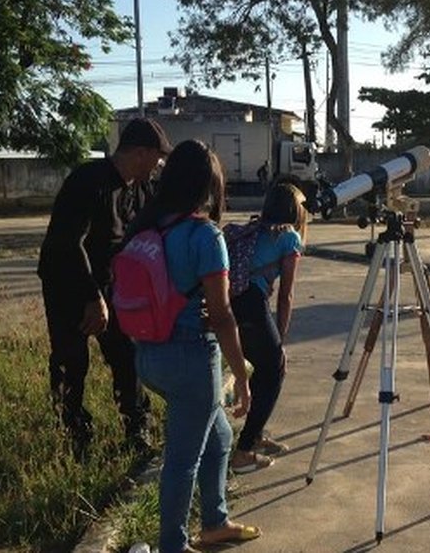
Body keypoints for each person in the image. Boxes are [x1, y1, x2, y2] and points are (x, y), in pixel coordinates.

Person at [129, 139, 260, 553]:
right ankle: (173, 545)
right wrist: (240, 374)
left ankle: (215, 521)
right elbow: (221, 316)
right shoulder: (204, 235)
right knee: (182, 462)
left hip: (148, 355)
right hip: (191, 357)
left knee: (218, 436)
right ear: (210, 185)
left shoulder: (148, 226)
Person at [37, 118, 172, 461]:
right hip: (67, 283)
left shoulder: (140, 189)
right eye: (157, 158)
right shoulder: (89, 180)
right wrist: (91, 297)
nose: (158, 166)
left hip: (110, 286)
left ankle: (136, 426)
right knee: (72, 361)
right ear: (140, 153)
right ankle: (74, 433)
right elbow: (67, 242)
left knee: (126, 355)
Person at [230, 183, 307, 474]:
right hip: (252, 302)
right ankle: (244, 451)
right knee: (275, 368)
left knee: (263, 368)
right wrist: (281, 338)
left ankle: (256, 434)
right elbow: (286, 294)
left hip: (231, 303)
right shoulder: (289, 237)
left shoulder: (254, 228)